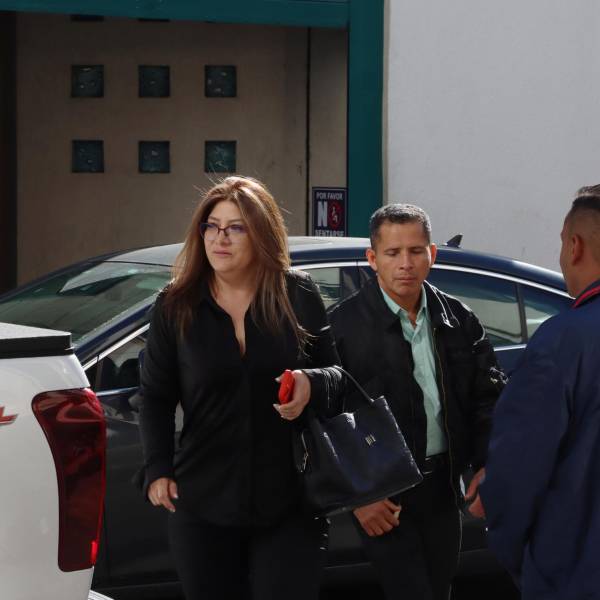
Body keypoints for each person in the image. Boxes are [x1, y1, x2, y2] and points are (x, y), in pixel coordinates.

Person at [137, 176, 343, 600]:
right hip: (203, 499)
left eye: (236, 228)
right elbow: (155, 396)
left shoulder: (297, 293)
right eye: (212, 226)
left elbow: (339, 378)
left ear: (261, 234)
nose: (220, 238)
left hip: (291, 499)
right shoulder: (176, 304)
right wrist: (158, 469)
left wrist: (311, 382)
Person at [327, 204, 504, 600]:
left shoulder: (458, 318)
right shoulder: (341, 327)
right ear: (373, 258)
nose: (405, 264)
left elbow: (487, 399)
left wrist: (487, 464)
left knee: (439, 589)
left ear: (432, 254)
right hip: (383, 494)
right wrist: (360, 496)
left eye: (415, 251)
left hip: (443, 487)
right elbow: (325, 420)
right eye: (392, 253)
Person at [480, 185, 600, 599]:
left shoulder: (561, 341)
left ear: (574, 245)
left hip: (573, 575)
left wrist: (523, 557)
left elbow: (517, 470)